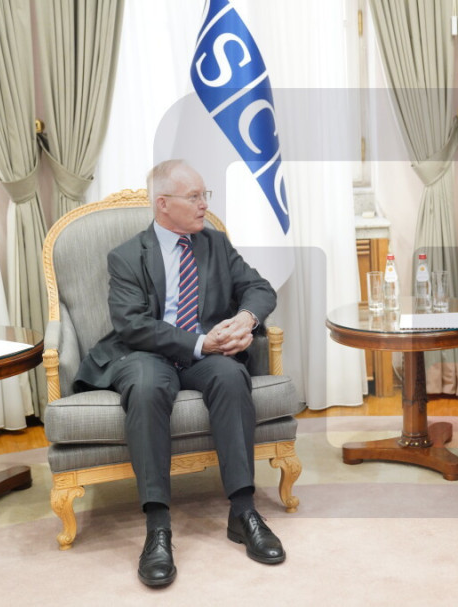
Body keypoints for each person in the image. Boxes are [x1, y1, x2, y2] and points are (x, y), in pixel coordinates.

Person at [74, 159, 284, 586]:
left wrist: (244, 319)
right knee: (147, 388)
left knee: (230, 377)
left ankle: (243, 512)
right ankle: (158, 528)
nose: (205, 204)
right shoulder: (127, 256)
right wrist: (201, 342)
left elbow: (259, 288)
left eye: (206, 195)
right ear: (163, 204)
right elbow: (132, 325)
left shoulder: (215, 243)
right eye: (194, 196)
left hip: (206, 354)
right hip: (146, 353)